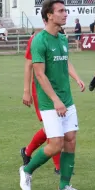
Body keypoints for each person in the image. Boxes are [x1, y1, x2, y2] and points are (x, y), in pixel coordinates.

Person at [19, 0, 86, 190]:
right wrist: (56, 100)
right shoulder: (39, 40)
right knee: (55, 144)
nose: (66, 14)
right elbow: (39, 74)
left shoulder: (62, 38)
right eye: (61, 11)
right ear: (49, 15)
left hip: (67, 98)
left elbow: (65, 62)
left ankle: (64, 187)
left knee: (71, 140)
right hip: (50, 101)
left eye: (65, 11)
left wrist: (77, 78)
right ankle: (27, 170)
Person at [21, 29, 61, 175]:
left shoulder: (60, 36)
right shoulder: (37, 39)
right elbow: (28, 65)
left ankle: (27, 151)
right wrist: (26, 91)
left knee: (54, 127)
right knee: (52, 127)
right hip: (41, 90)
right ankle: (58, 166)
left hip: (58, 88)